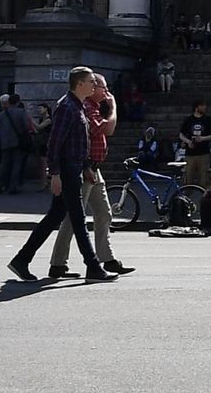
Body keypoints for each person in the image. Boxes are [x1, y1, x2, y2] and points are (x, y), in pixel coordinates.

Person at [5, 68, 114, 283]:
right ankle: (92, 266)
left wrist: (86, 166)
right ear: (79, 83)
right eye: (91, 82)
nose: (94, 85)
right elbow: (55, 144)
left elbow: (77, 143)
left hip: (75, 167)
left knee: (54, 217)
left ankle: (22, 260)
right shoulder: (67, 107)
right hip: (66, 171)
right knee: (78, 218)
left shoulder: (77, 105)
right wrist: (54, 174)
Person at [49, 71, 133, 278]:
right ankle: (59, 264)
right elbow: (106, 128)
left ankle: (107, 259)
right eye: (101, 86)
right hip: (83, 169)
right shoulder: (83, 107)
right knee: (73, 218)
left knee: (103, 212)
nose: (105, 90)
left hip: (93, 168)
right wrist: (113, 108)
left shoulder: (90, 106)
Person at [0, 94, 35, 195]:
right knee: (16, 165)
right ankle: (13, 187)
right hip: (17, 142)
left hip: (4, 142)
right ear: (18, 102)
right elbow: (26, 127)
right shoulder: (21, 112)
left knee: (3, 165)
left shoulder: (1, 114)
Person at [178, 101, 211, 188]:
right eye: (202, 106)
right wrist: (188, 141)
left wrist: (203, 138)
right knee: (188, 179)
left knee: (204, 179)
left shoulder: (208, 120)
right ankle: (186, 198)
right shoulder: (189, 119)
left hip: (204, 153)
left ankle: (205, 198)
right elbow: (181, 134)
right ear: (197, 107)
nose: (205, 107)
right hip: (190, 154)